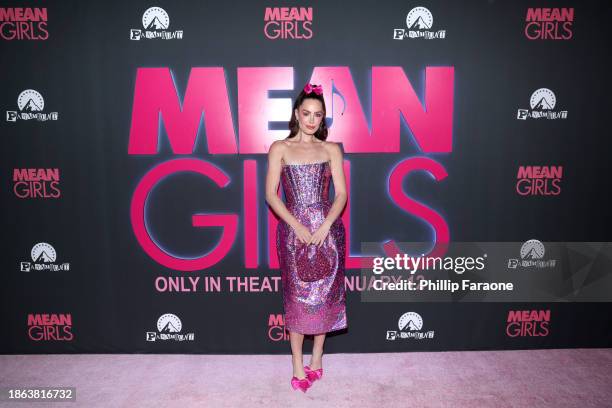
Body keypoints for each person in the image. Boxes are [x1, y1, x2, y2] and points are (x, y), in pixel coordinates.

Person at [265, 83, 348, 392]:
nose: (312, 120)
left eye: (318, 115)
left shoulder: (331, 150)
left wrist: (326, 224)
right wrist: (297, 227)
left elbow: (341, 194)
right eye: (307, 114)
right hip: (292, 230)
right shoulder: (280, 148)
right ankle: (297, 363)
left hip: (328, 229)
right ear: (297, 115)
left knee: (324, 294)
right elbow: (271, 195)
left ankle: (318, 356)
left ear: (323, 118)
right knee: (298, 297)